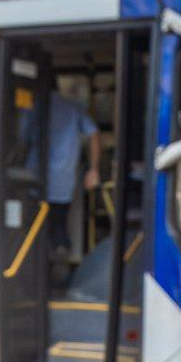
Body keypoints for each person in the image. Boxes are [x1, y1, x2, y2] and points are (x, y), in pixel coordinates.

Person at [44, 86, 102, 259]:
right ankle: (60, 253)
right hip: (64, 178)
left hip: (36, 179)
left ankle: (48, 259)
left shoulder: (35, 106)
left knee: (38, 226)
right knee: (59, 222)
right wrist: (94, 169)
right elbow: (94, 134)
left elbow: (23, 139)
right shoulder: (74, 107)